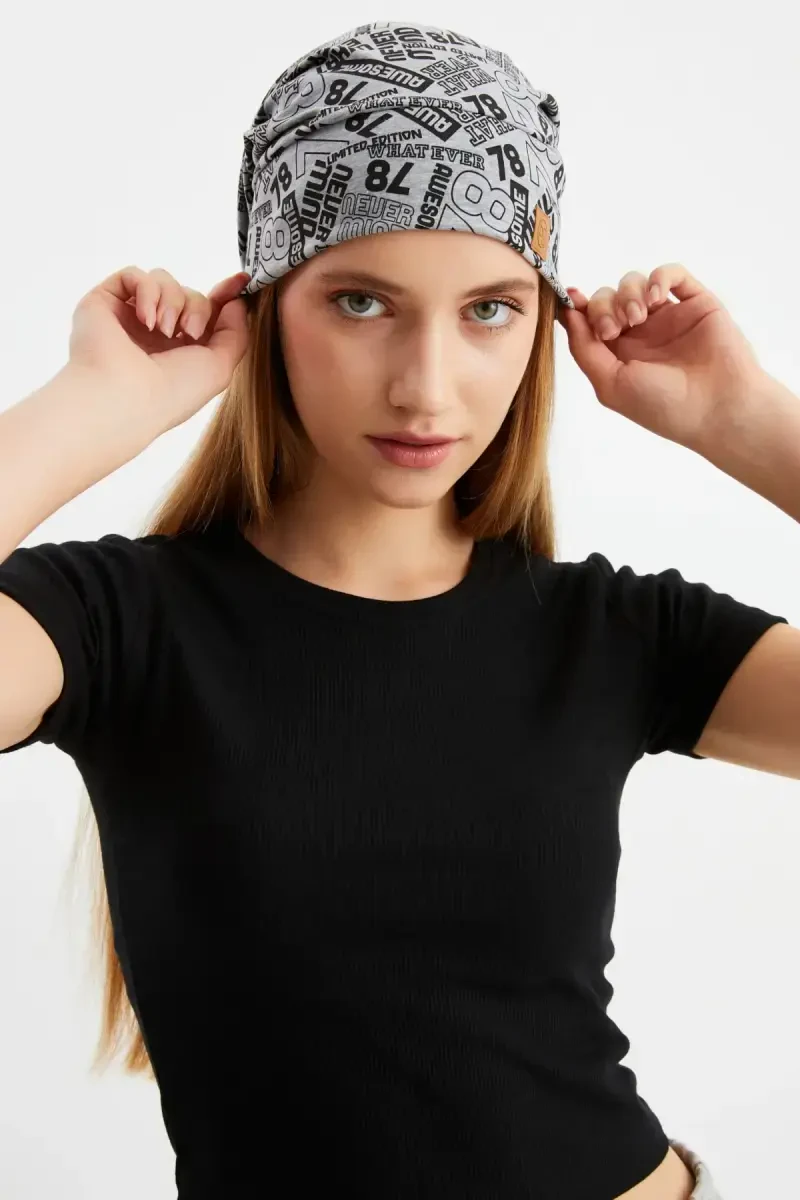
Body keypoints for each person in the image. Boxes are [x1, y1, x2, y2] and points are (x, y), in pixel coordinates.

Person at [1, 18, 797, 1200]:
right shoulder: (114, 626)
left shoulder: (613, 634)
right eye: (361, 303)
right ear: (270, 303)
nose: (427, 387)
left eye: (489, 310)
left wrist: (749, 424)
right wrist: (93, 407)